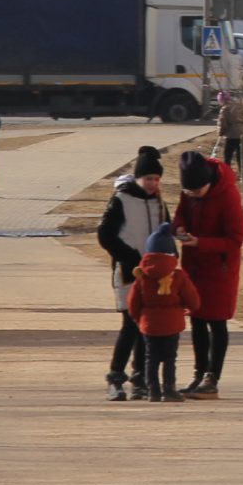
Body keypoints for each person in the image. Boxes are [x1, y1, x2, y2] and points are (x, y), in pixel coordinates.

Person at [94, 145, 169, 401]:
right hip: (128, 272)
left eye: (157, 179)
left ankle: (140, 378)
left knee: (147, 326)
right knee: (131, 325)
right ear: (138, 177)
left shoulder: (159, 201)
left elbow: (166, 235)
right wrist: (133, 258)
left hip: (155, 275)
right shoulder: (121, 199)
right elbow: (105, 235)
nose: (152, 183)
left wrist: (171, 262)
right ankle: (115, 377)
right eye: (148, 178)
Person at [173, 149, 243, 398]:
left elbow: (236, 240)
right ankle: (198, 374)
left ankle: (212, 378)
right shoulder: (189, 193)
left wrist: (200, 242)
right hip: (193, 267)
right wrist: (179, 228)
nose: (191, 195)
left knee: (217, 321)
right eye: (188, 192)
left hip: (219, 268)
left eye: (196, 191)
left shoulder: (228, 196)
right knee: (197, 320)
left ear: (207, 183)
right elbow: (180, 214)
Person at [124, 222, 200, 402]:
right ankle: (169, 389)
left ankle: (153, 391)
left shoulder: (142, 276)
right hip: (172, 324)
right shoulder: (178, 276)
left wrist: (138, 318)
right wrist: (190, 308)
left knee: (151, 358)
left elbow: (133, 302)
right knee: (169, 358)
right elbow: (193, 299)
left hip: (149, 324)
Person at [217, 89, 243, 171]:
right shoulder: (242, 105)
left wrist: (220, 133)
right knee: (240, 156)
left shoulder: (225, 109)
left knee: (228, 156)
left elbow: (222, 123)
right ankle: (242, 174)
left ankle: (227, 174)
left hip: (232, 136)